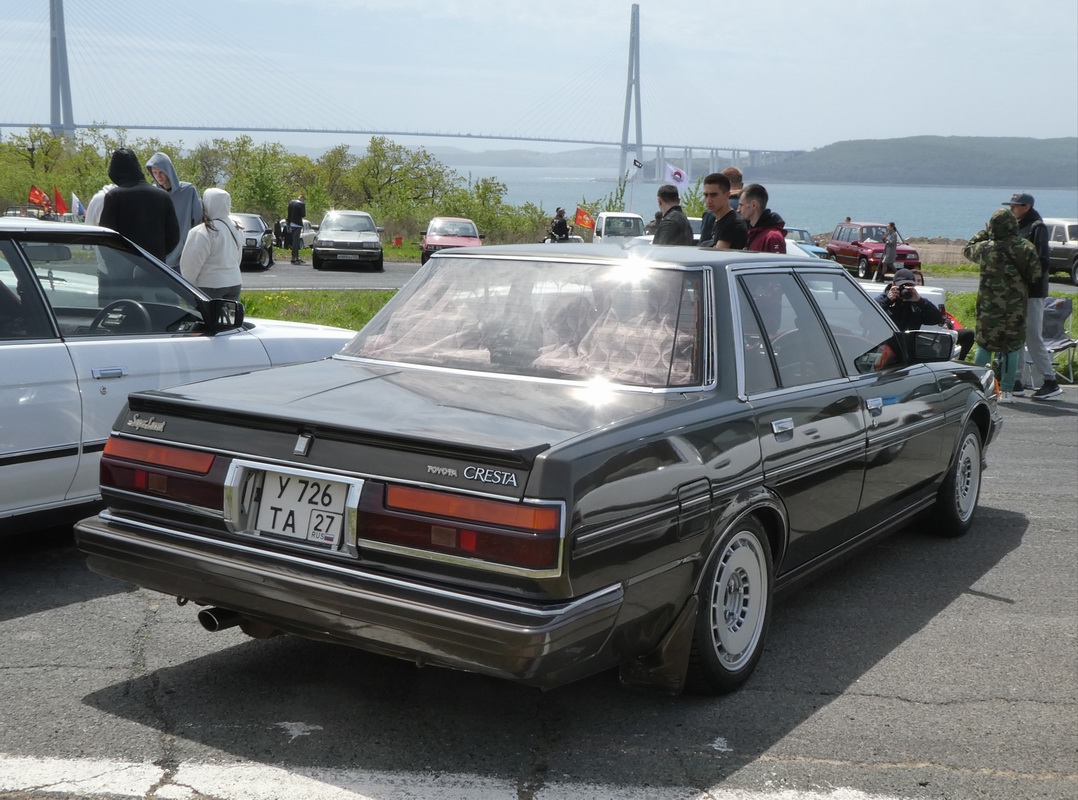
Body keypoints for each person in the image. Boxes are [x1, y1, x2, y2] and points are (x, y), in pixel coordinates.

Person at [963, 208, 1042, 403]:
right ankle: (1007, 390)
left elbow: (967, 249)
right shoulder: (1026, 247)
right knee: (1012, 347)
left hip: (988, 307)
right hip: (1015, 307)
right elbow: (1035, 275)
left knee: (984, 344)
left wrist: (985, 232)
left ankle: (979, 387)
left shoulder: (986, 248)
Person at [1005, 192, 1061, 400]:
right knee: (1018, 335)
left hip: (1033, 291)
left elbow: (1043, 261)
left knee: (1033, 336)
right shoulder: (1019, 226)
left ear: (1026, 207)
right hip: (1020, 291)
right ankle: (1017, 380)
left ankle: (1050, 380)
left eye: (1015, 206)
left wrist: (1024, 276)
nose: (1012, 209)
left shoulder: (1037, 227)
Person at [98, 148, 179, 262]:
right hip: (155, 269)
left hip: (121, 270)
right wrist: (155, 255)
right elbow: (173, 237)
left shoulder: (115, 197)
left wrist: (115, 261)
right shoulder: (162, 196)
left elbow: (105, 237)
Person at [179, 188, 243, 301]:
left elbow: (190, 265)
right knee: (228, 318)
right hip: (234, 282)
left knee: (205, 318)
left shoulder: (203, 231)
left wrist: (187, 285)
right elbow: (238, 258)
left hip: (209, 285)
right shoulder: (236, 227)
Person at [145, 152, 202, 270]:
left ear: (169, 171)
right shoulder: (152, 194)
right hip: (158, 255)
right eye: (155, 173)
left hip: (183, 255)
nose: (158, 176)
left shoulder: (188, 191)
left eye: (161, 172)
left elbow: (198, 218)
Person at [875, 268, 943, 331]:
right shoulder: (883, 299)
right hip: (885, 341)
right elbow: (870, 317)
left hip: (907, 342)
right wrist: (887, 301)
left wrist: (920, 301)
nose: (905, 290)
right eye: (903, 286)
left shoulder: (915, 306)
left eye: (909, 286)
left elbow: (936, 319)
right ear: (894, 284)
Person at [699, 172, 747, 250]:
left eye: (713, 195)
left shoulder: (732, 223)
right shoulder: (720, 220)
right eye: (706, 195)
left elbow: (717, 256)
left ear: (727, 195)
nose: (709, 200)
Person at [739, 184, 786, 253]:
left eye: (741, 205)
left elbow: (778, 263)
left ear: (753, 205)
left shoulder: (773, 237)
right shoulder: (752, 233)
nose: (738, 209)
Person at [287, 194, 306, 264]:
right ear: (302, 199)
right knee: (295, 242)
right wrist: (303, 206)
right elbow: (303, 214)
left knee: (295, 241)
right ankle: (293, 258)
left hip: (291, 224)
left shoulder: (291, 203)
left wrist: (288, 222)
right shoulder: (301, 205)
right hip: (298, 225)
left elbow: (289, 214)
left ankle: (297, 257)